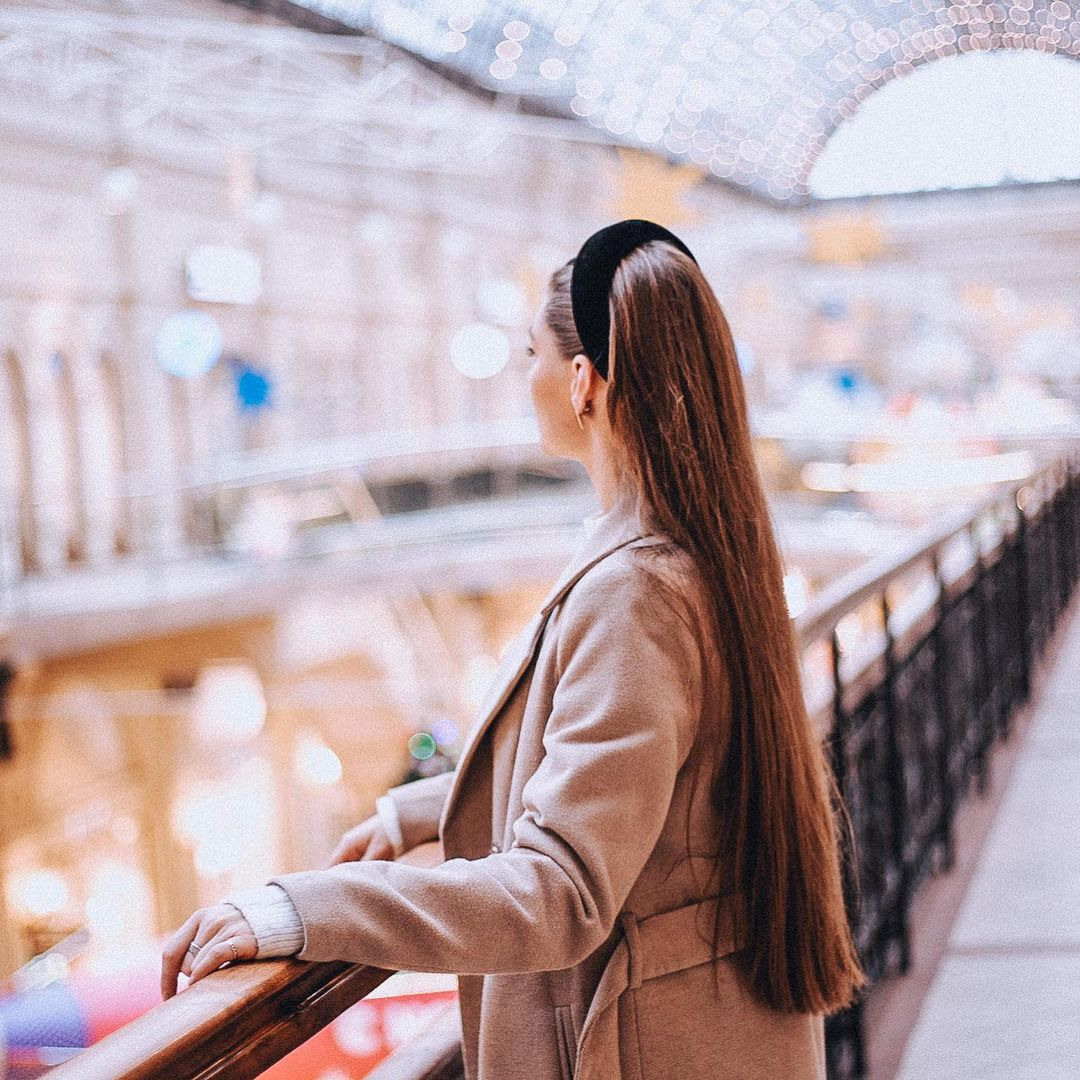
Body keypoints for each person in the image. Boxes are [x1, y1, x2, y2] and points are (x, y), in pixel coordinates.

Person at [161, 219, 866, 1079]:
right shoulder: (694, 546)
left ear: (581, 382)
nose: (521, 377)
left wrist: (301, 911)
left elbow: (558, 892)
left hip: (641, 1046)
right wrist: (414, 815)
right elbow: (616, 774)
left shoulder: (634, 591)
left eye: (528, 353)